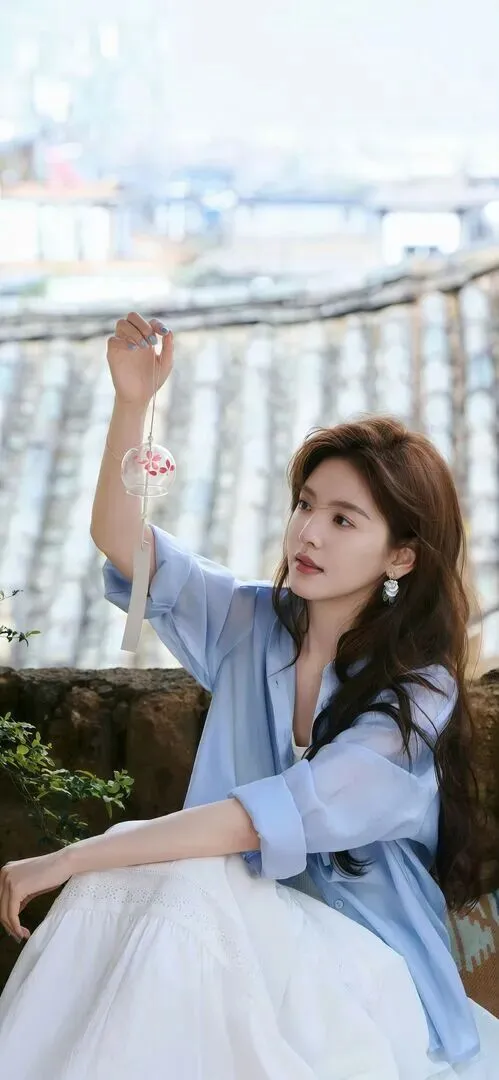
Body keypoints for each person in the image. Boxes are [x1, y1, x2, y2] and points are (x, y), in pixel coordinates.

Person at [0, 312, 498, 1080]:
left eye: (342, 519)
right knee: (144, 883)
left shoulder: (414, 696)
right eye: (305, 504)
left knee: (170, 873)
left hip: (364, 967)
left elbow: (257, 820)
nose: (308, 533)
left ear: (400, 555)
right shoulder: (251, 622)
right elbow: (125, 544)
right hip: (229, 933)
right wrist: (132, 402)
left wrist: (70, 855)